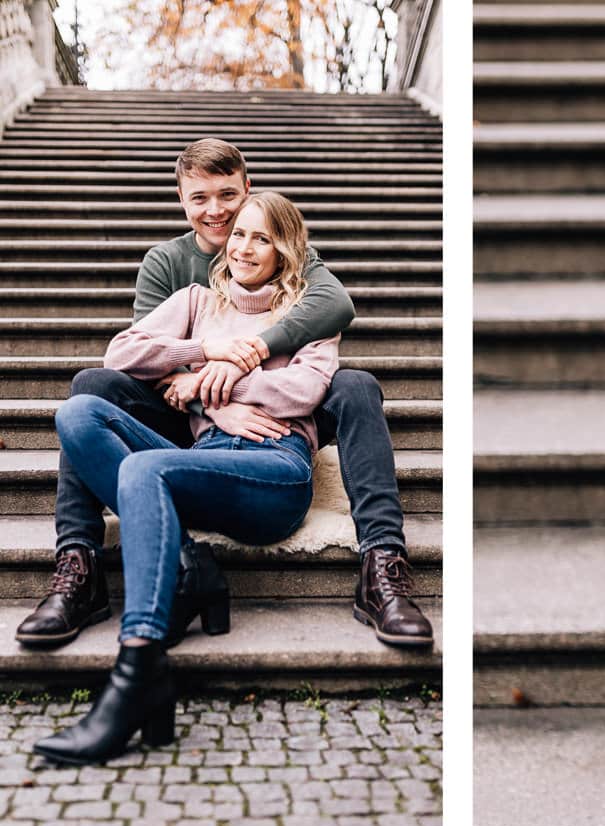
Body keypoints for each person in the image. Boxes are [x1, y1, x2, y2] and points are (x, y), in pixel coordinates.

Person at [15, 138, 433, 649]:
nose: (219, 217)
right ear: (181, 199)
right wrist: (207, 370)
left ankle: (382, 561)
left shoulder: (299, 279)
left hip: (276, 438)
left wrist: (237, 368)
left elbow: (328, 325)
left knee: (356, 385)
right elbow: (128, 355)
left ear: (250, 196)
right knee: (85, 397)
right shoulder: (177, 276)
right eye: (200, 199)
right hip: (186, 421)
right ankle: (81, 561)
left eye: (229, 199)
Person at [33, 192, 336, 765]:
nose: (245, 247)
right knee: (78, 412)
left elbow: (303, 392)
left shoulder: (305, 313)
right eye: (241, 234)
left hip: (274, 467)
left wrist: (205, 383)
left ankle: (139, 666)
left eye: (263, 238)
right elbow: (120, 352)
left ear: (286, 249)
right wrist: (203, 356)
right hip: (203, 454)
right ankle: (190, 567)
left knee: (147, 466)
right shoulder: (197, 299)